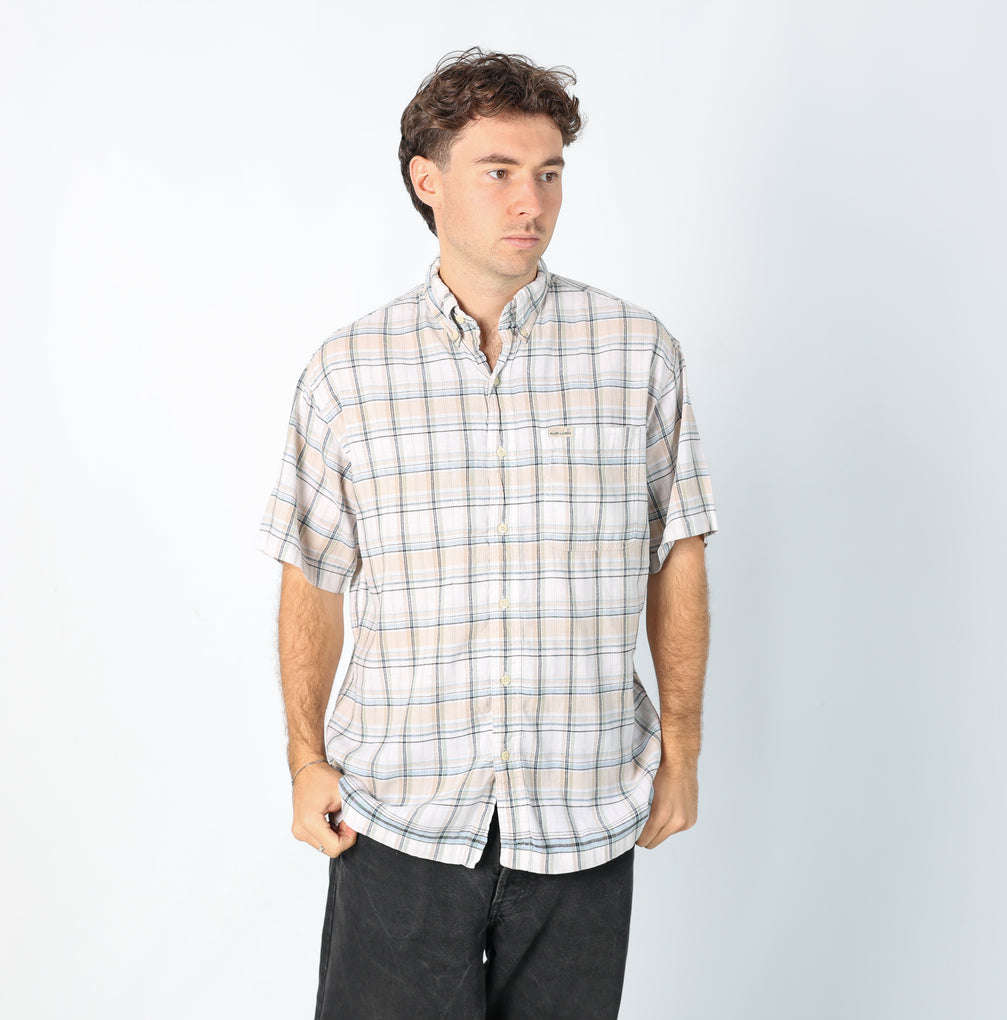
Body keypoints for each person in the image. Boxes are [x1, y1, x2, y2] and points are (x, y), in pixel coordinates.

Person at [258, 47, 719, 1020]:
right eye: (499, 171)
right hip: (397, 819)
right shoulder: (348, 373)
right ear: (427, 181)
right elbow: (312, 575)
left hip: (583, 817)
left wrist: (682, 748)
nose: (531, 203)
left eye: (549, 173)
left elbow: (679, 554)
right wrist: (305, 761)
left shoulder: (638, 355)